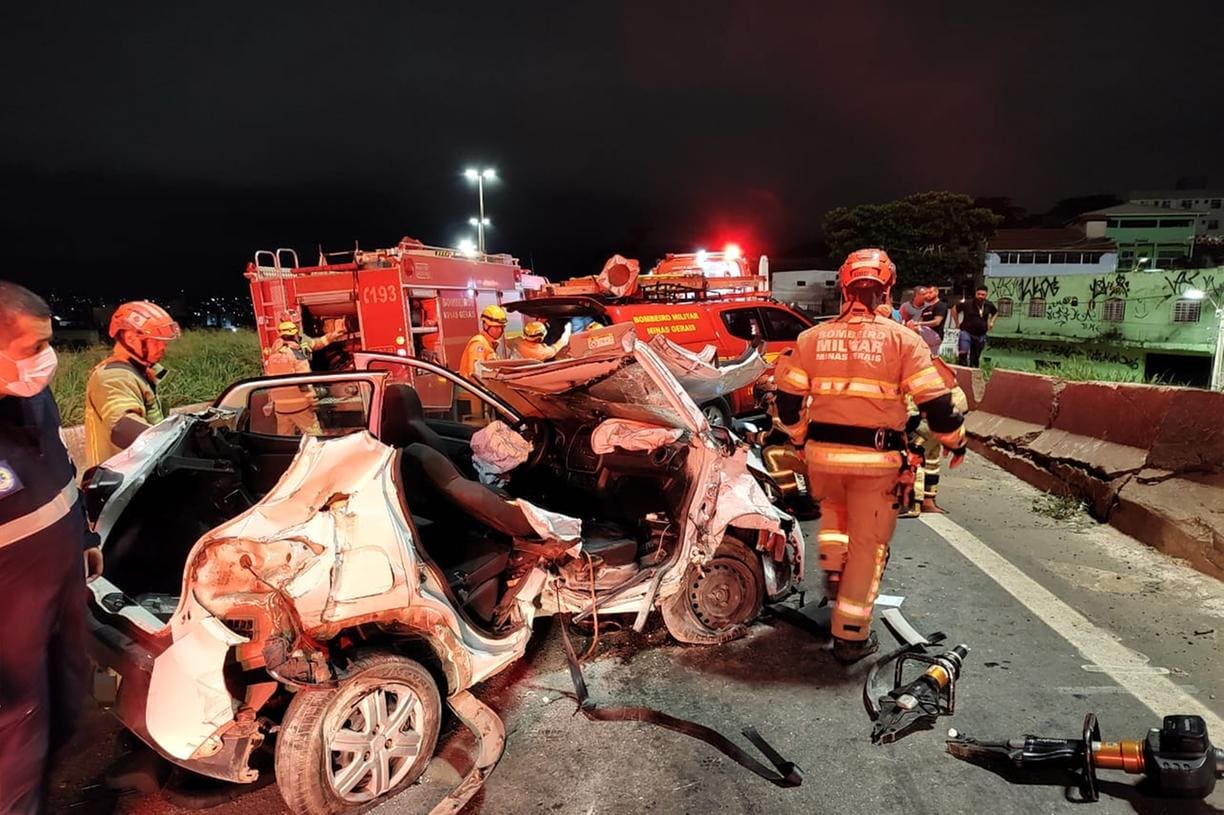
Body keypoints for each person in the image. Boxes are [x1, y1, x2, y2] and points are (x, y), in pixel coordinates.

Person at [773, 249, 966, 663]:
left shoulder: (811, 339)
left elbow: (787, 403)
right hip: (874, 464)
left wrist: (800, 437)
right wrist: (956, 441)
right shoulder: (904, 341)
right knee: (867, 547)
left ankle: (834, 571)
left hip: (823, 460)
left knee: (834, 521)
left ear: (844, 287)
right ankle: (850, 635)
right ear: (888, 289)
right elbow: (937, 405)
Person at [0, 281, 100, 814]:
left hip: (57, 598)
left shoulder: (33, 401)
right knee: (14, 738)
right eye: (32, 348)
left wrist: (82, 541)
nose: (47, 359)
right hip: (8, 626)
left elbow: (58, 478)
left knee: (66, 709)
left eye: (48, 343)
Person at [84, 300, 181, 468]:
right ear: (131, 338)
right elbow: (122, 426)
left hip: (141, 468)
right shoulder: (112, 377)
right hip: (122, 479)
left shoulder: (140, 371)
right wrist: (172, 443)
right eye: (156, 341)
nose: (163, 347)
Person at [457, 305, 508, 421]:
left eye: (502, 327)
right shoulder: (479, 344)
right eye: (496, 327)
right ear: (485, 325)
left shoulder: (488, 344)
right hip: (475, 397)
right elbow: (475, 374)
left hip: (481, 396)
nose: (500, 330)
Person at [952, 286, 998, 367]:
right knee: (963, 352)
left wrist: (991, 322)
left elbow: (996, 312)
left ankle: (973, 372)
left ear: (986, 295)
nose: (980, 296)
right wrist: (957, 323)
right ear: (975, 294)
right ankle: (962, 370)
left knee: (975, 357)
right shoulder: (968, 303)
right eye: (978, 294)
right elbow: (954, 309)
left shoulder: (988, 304)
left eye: (983, 295)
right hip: (966, 331)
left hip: (981, 334)